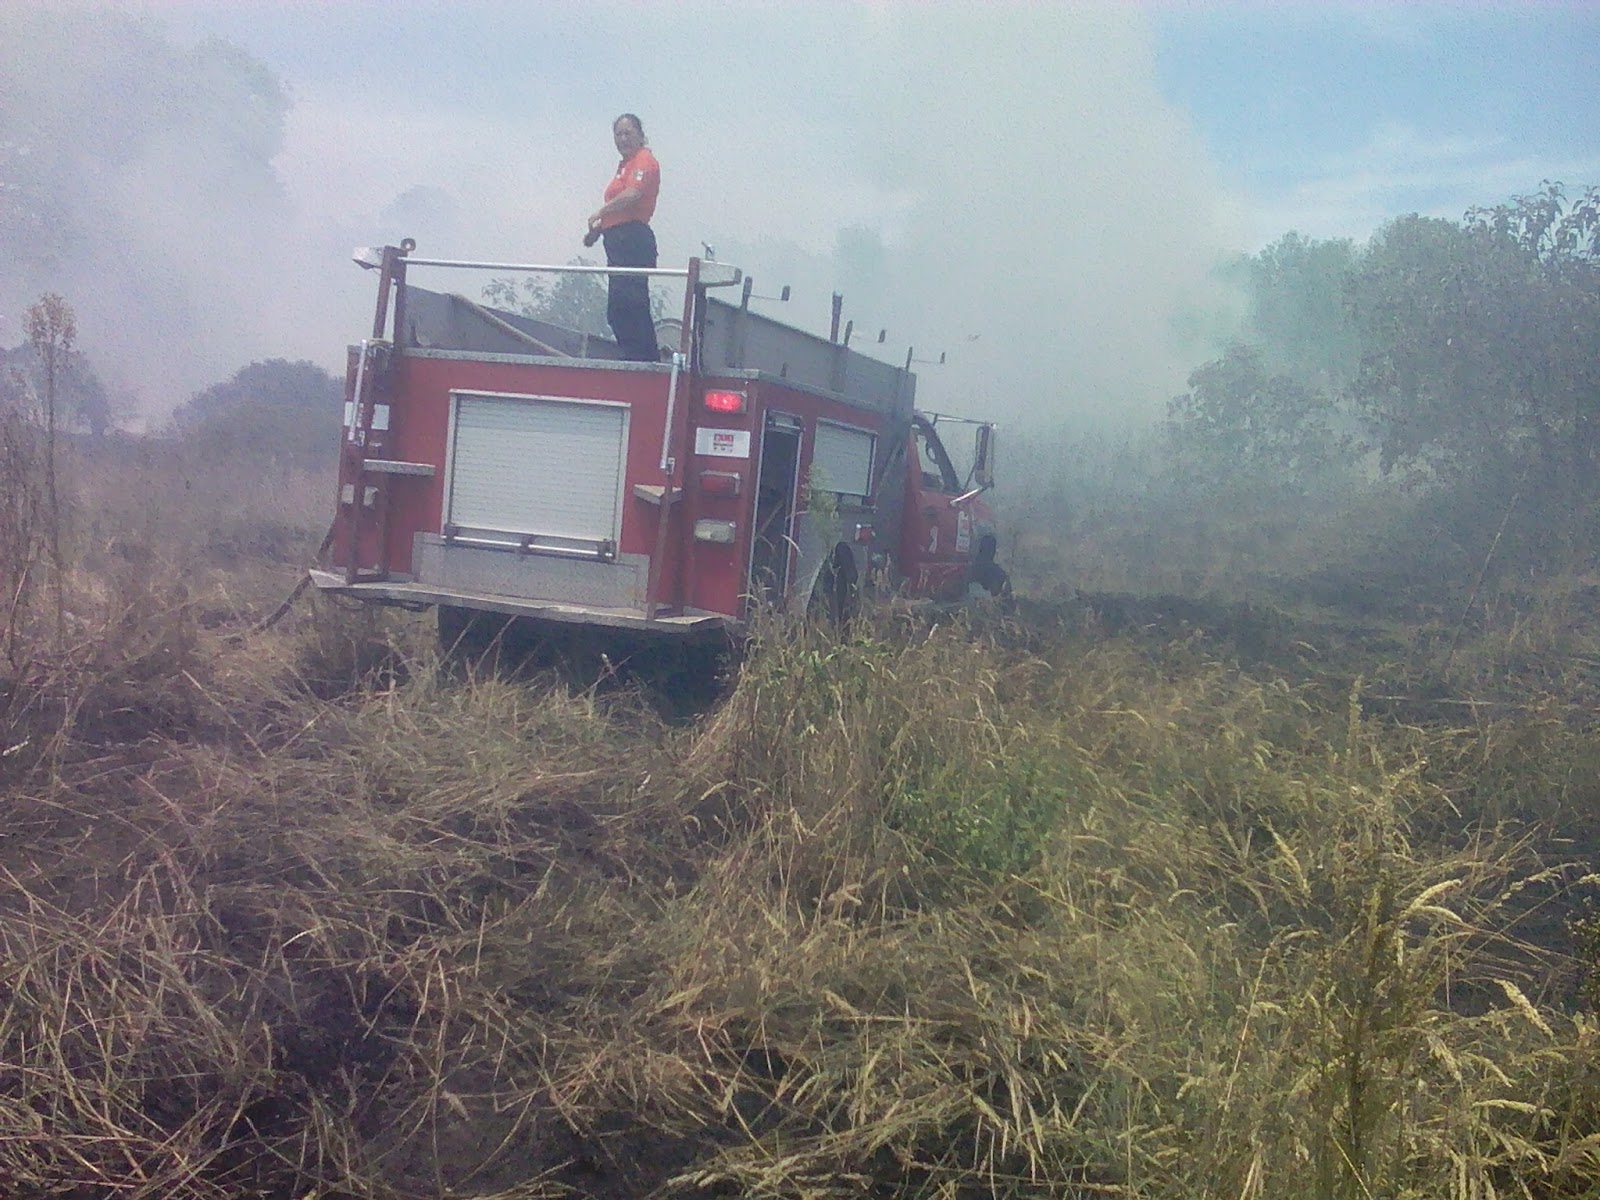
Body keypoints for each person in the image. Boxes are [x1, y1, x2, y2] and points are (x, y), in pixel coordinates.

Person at [584, 113, 661, 362]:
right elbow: (619, 208)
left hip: (633, 240)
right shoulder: (624, 166)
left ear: (640, 135)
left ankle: (645, 360)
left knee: (631, 304)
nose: (623, 138)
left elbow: (633, 195)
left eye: (628, 133)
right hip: (616, 241)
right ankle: (633, 356)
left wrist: (601, 211)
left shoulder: (644, 161)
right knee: (618, 309)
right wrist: (597, 230)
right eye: (619, 134)